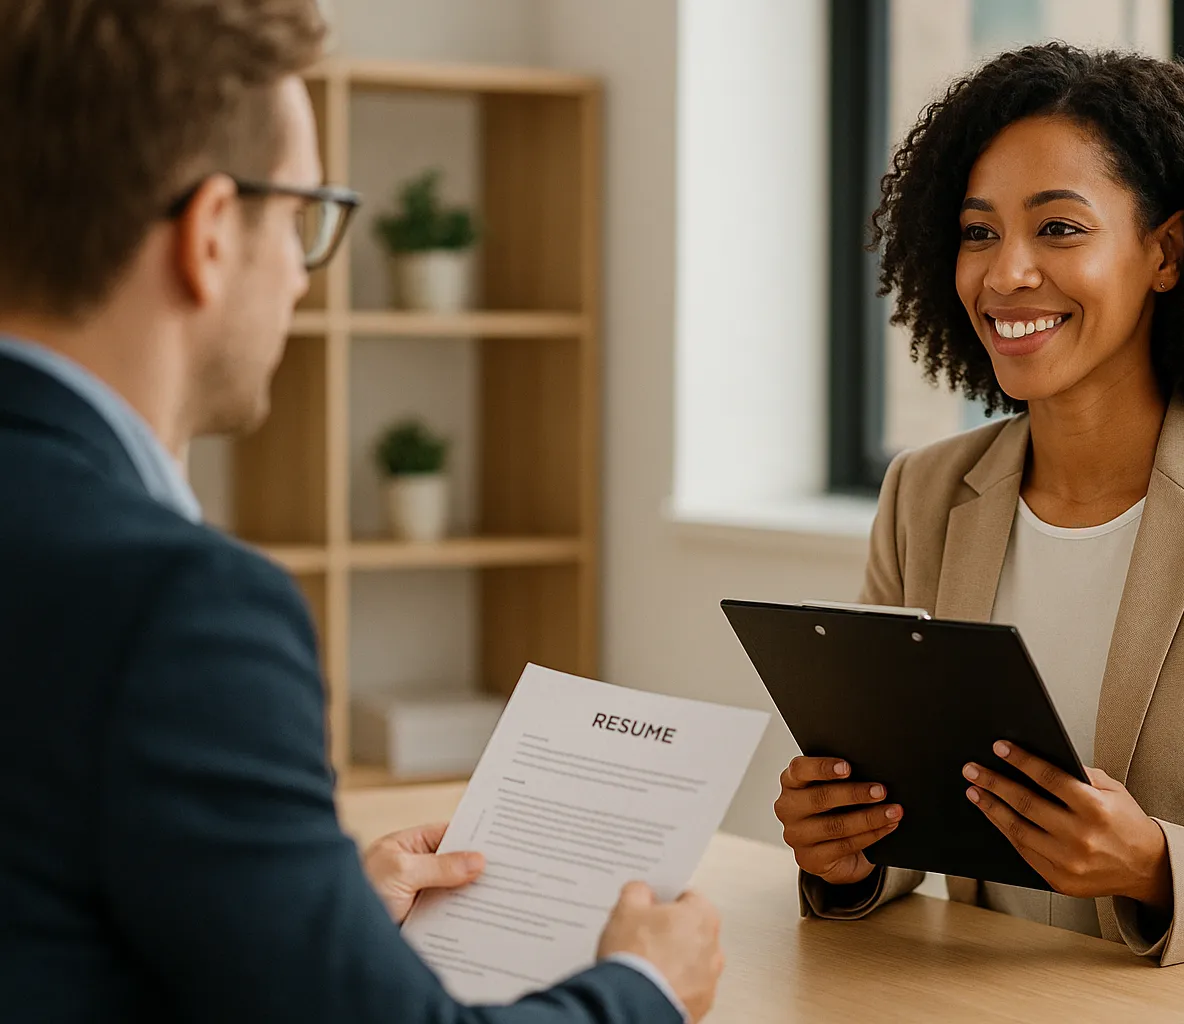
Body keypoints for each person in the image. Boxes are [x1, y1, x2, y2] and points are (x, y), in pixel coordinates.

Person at [0, 2, 722, 1022]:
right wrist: (646, 984)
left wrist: (316, 922)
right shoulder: (177, 608)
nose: (301, 273)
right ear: (210, 234)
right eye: (302, 218)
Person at [773, 44, 1184, 1012]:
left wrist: (1151, 862)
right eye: (978, 234)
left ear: (1166, 252)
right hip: (998, 995)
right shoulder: (926, 494)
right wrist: (851, 849)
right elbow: (913, 820)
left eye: (1058, 228)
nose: (1007, 273)